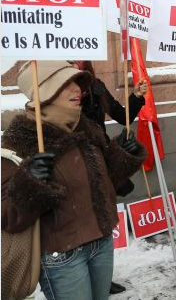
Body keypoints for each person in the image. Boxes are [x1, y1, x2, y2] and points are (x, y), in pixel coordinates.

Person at [1, 61, 146, 300]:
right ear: (44, 89)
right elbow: (7, 216)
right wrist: (30, 183)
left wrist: (122, 153)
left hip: (102, 244)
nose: (78, 90)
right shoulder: (18, 142)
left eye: (78, 83)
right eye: (67, 84)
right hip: (61, 257)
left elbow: (107, 181)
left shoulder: (87, 129)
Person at [73, 60, 148, 294]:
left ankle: (102, 277)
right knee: (81, 222)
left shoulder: (97, 87)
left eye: (82, 68)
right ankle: (81, 277)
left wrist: (135, 96)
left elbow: (121, 115)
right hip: (73, 165)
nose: (78, 73)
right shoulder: (59, 94)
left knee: (103, 220)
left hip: (100, 162)